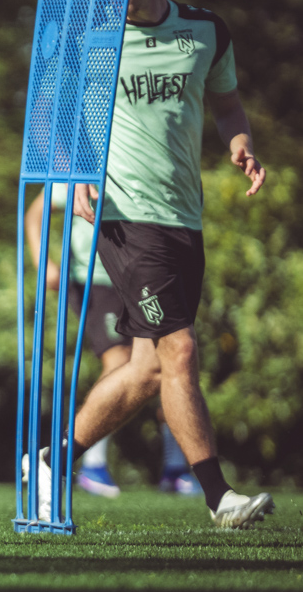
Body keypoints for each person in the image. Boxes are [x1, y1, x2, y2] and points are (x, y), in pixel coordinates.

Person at [30, 0, 272, 528]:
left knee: (145, 369)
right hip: (123, 216)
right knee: (180, 349)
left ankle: (54, 461)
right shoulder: (90, 38)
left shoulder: (205, 31)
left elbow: (227, 105)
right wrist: (73, 172)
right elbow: (55, 118)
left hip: (182, 217)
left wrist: (240, 143)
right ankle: (218, 495)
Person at [24, 187, 199, 497]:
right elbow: (36, 212)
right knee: (119, 360)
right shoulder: (89, 165)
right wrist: (43, 261)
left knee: (168, 359)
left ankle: (175, 469)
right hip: (96, 278)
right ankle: (91, 464)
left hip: (143, 273)